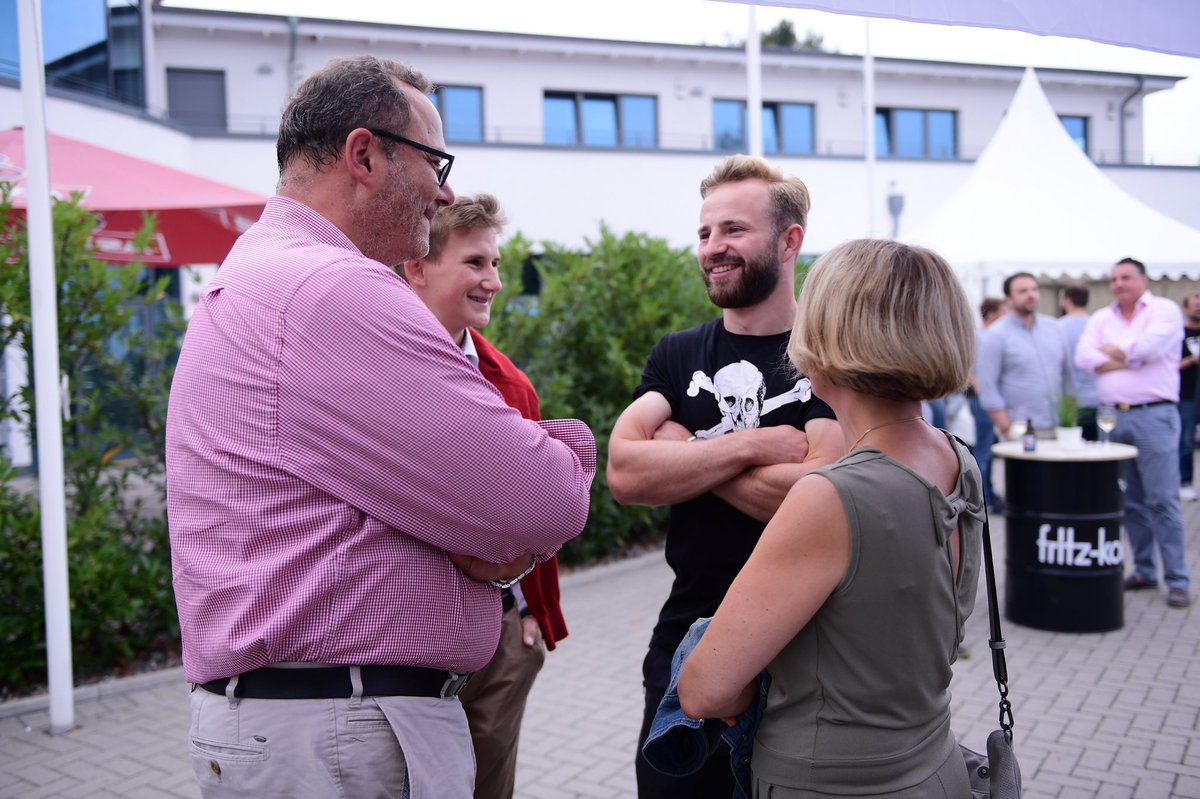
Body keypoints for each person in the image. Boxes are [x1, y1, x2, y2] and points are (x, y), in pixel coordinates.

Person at [165, 56, 596, 799]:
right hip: (341, 728)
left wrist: (467, 531)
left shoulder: (264, 272)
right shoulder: (332, 288)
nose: (446, 188)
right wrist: (570, 448)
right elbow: (545, 498)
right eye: (436, 161)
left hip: (307, 722)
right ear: (365, 155)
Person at [676, 238, 983, 797]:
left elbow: (705, 690)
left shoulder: (833, 496)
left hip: (834, 781)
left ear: (827, 335)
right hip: (936, 767)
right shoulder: (958, 457)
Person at [607, 154, 844, 799]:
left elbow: (824, 497)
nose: (713, 248)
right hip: (687, 636)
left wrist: (691, 453)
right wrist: (755, 447)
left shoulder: (827, 361)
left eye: (733, 230)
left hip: (805, 650)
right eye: (706, 233)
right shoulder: (678, 353)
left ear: (789, 241)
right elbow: (624, 469)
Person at [398, 193, 565, 799]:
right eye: (475, 263)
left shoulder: (510, 383)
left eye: (495, 263)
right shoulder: (372, 369)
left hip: (501, 640)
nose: (494, 281)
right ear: (418, 266)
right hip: (405, 638)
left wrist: (531, 616)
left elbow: (538, 514)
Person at [1076, 257, 1191, 608]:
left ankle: (1177, 579)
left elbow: (1153, 347)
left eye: (1126, 277)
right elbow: (1082, 357)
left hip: (1154, 416)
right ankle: (1143, 570)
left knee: (1163, 501)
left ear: (1142, 280)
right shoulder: (1101, 317)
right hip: (1114, 417)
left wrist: (1113, 353)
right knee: (1131, 502)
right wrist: (1131, 356)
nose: (1118, 284)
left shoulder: (1164, 310)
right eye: (1113, 278)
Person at [976, 271, 1071, 439]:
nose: (1031, 295)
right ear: (1008, 299)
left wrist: (1069, 420)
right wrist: (1006, 428)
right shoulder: (996, 335)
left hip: (1059, 427)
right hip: (1020, 431)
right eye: (1023, 291)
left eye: (1034, 289)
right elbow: (987, 387)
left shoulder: (1054, 328)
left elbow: (1068, 376)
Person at [1058, 282, 1100, 441]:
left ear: (1067, 300)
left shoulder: (1058, 327)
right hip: (1097, 398)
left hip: (1069, 403)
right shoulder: (1096, 325)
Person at [1178, 293, 1200, 502]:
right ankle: (1183, 483)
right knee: (1185, 441)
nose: (1198, 308)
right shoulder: (1179, 334)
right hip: (1186, 395)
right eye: (1195, 305)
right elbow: (1170, 366)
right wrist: (1192, 360)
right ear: (1186, 308)